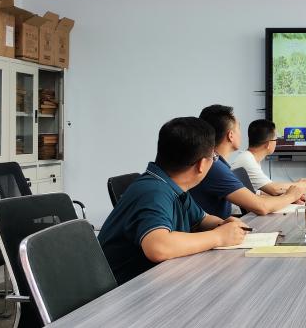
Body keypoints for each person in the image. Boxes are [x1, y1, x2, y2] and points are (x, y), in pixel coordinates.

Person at [98, 117, 249, 284]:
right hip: (121, 292)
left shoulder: (172, 185)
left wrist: (223, 225)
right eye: (213, 157)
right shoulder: (153, 192)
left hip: (154, 281)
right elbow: (158, 247)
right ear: (201, 164)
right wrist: (218, 237)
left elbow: (201, 219)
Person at [189, 105, 306, 218]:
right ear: (230, 135)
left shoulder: (215, 163)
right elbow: (261, 207)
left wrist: (285, 198)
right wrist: (290, 196)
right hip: (214, 230)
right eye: (238, 128)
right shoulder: (215, 167)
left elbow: (255, 198)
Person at [230, 119, 306, 195]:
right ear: (268, 144)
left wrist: (297, 184)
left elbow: (261, 192)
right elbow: (274, 189)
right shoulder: (247, 160)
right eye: (275, 140)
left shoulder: (249, 158)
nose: (276, 142)